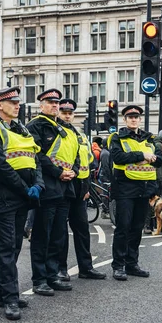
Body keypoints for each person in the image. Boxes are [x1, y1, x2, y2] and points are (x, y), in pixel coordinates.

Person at [0, 86, 44, 320]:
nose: (17, 106)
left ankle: (0, 294)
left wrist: (39, 184)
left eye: (18, 103)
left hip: (21, 197)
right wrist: (26, 189)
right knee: (6, 247)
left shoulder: (22, 130)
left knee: (13, 246)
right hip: (1, 196)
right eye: (12, 102)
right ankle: (10, 298)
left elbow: (35, 159)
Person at [27, 88, 79, 295]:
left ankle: (52, 275)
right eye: (50, 102)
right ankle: (39, 279)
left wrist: (73, 171)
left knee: (58, 236)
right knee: (42, 236)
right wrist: (59, 172)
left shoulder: (65, 128)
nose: (55, 106)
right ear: (41, 105)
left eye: (56, 103)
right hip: (48, 187)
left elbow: (75, 155)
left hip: (65, 189)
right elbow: (38, 155)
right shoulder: (35, 126)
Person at [108, 105, 162, 280]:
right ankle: (118, 265)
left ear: (140, 119)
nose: (133, 119)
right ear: (124, 120)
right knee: (123, 227)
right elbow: (118, 157)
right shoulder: (117, 137)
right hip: (124, 187)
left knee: (137, 228)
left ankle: (132, 264)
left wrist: (149, 157)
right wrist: (142, 156)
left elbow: (160, 160)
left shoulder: (150, 138)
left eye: (136, 116)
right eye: (130, 116)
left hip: (144, 188)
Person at [56, 98, 107, 282]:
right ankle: (61, 269)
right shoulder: (56, 132)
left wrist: (86, 188)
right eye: (63, 112)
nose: (67, 115)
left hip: (79, 187)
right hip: (62, 185)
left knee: (82, 230)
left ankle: (86, 267)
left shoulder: (81, 136)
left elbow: (87, 164)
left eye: (70, 112)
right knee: (61, 231)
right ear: (58, 112)